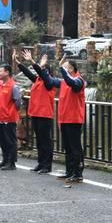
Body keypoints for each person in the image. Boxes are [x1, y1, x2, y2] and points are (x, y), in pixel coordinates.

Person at [37, 54, 86, 184]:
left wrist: (61, 68)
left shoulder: (79, 81)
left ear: (71, 69)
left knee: (75, 147)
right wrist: (42, 68)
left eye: (65, 68)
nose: (63, 70)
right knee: (68, 147)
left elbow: (71, 82)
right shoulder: (63, 82)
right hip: (64, 119)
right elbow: (49, 80)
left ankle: (78, 173)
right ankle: (69, 171)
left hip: (74, 119)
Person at [14, 49, 56, 174]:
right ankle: (40, 163)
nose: (40, 71)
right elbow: (28, 73)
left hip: (44, 114)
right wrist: (18, 63)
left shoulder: (50, 82)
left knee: (45, 141)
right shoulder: (38, 80)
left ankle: (47, 165)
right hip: (36, 113)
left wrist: (33, 61)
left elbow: (42, 73)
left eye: (43, 69)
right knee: (39, 140)